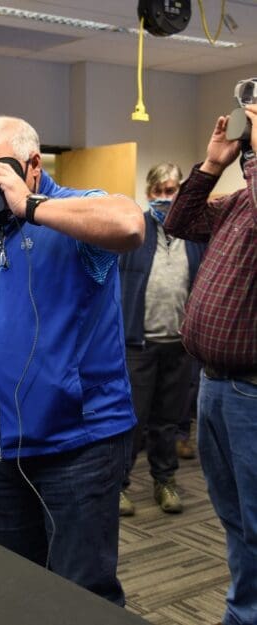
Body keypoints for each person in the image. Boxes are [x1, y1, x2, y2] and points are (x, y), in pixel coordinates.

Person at [0, 115, 145, 605]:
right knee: (20, 584)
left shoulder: (73, 214)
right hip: (6, 450)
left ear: (32, 166)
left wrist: (31, 206)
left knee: (81, 594)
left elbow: (129, 225)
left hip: (78, 444)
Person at [164, 108, 257, 625]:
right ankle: (244, 612)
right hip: (215, 386)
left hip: (251, 393)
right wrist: (211, 165)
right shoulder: (241, 200)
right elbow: (180, 222)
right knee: (235, 520)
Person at [118, 163, 205, 516]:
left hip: (180, 345)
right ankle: (119, 486)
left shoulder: (195, 234)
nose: (166, 198)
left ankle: (164, 481)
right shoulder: (132, 231)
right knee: (133, 421)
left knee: (169, 421)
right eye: (160, 191)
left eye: (172, 191)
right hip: (138, 343)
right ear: (149, 192)